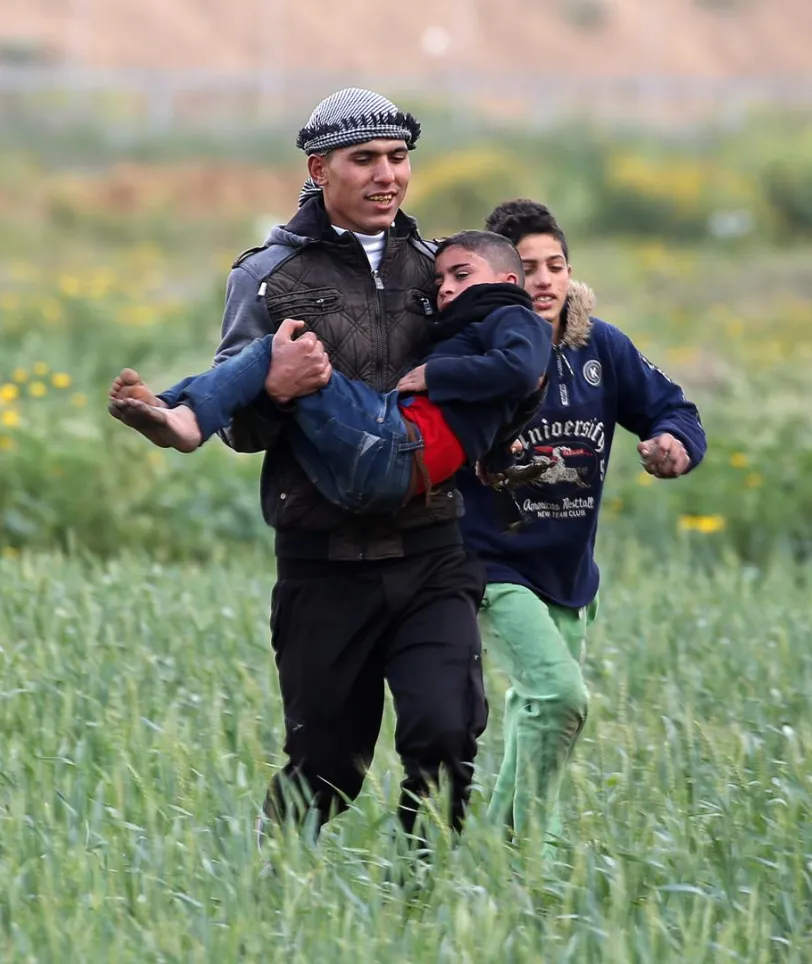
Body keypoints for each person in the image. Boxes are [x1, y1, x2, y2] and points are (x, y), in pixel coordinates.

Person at [114, 87, 507, 848]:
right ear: (319, 168)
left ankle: (420, 903)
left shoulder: (439, 272)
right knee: (329, 765)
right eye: (366, 160)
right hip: (323, 561)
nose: (387, 175)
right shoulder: (267, 277)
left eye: (398, 158)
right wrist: (275, 387)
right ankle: (270, 895)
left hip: (432, 548)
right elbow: (248, 430)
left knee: (446, 736)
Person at [461, 199, 707, 849]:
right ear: (499, 278)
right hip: (492, 562)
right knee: (561, 697)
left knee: (543, 714)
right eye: (527, 268)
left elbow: (672, 411)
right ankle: (517, 845)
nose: (544, 280)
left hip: (569, 572)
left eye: (556, 265)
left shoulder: (602, 347)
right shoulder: (472, 350)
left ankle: (509, 854)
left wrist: (672, 445)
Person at [109, 229, 552, 516]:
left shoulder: (513, 316)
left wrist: (436, 376)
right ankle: (172, 407)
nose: (447, 288)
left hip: (400, 445)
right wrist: (494, 458)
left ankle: (186, 418)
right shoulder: (478, 328)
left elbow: (522, 375)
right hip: (368, 482)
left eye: (461, 274)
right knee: (283, 374)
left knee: (280, 351)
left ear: (508, 283)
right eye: (439, 282)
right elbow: (512, 406)